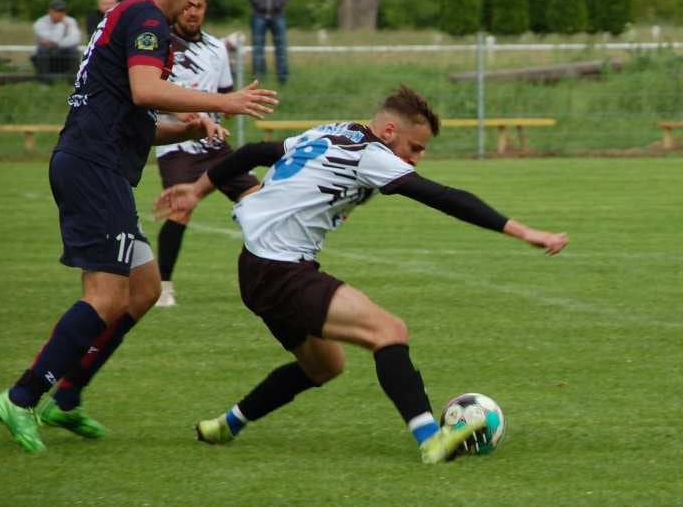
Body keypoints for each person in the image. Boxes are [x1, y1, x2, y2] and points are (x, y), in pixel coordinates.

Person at [156, 86, 569, 463]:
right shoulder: (372, 155)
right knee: (388, 332)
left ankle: (228, 424)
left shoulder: (335, 132)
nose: (415, 158)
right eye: (415, 147)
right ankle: (431, 440)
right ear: (389, 130)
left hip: (258, 266)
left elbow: (256, 152)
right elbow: (443, 197)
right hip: (280, 269)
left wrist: (197, 189)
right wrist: (522, 231)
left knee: (324, 366)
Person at [0, 0, 278, 454]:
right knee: (106, 296)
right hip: (93, 167)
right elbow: (147, 92)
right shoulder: (144, 16)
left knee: (142, 289)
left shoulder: (128, 19)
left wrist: (189, 129)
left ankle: (68, 397)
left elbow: (135, 115)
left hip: (97, 164)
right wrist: (225, 101)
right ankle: (22, 396)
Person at [154, 0, 260, 308]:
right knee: (181, 209)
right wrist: (181, 114)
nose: (193, 11)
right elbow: (150, 93)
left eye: (199, 6)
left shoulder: (216, 48)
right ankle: (163, 286)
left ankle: (269, 274)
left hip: (213, 145)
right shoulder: (161, 45)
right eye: (187, 6)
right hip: (177, 146)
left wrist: (239, 102)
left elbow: (224, 96)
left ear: (205, 9)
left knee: (259, 199)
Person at [31, 0, 82, 76]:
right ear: (50, 11)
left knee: (73, 51)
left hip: (63, 55)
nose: (60, 13)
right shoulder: (40, 23)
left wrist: (56, 44)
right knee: (43, 51)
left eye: (62, 11)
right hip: (47, 56)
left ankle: (73, 80)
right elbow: (54, 39)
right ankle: (44, 82)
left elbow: (75, 39)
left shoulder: (71, 21)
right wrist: (61, 25)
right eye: (57, 11)